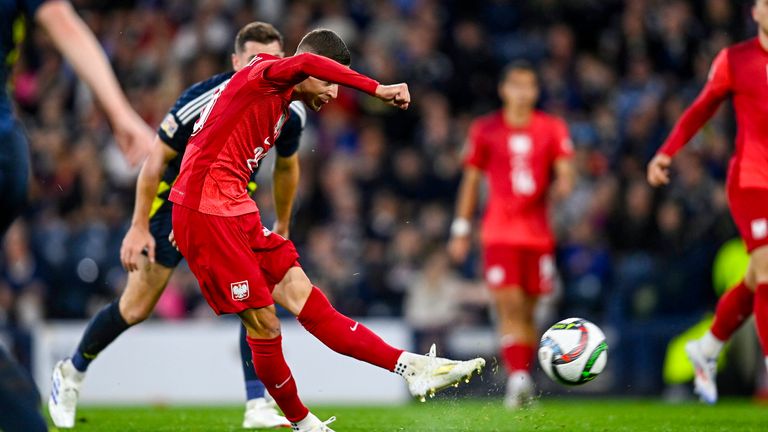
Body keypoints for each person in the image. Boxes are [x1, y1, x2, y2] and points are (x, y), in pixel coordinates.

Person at [169, 28, 485, 432]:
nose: (334, 95)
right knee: (265, 323)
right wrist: (376, 89)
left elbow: (208, 142)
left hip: (232, 210)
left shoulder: (279, 104)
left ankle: (410, 366)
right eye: (331, 81)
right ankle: (304, 424)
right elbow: (305, 61)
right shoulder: (263, 72)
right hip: (208, 210)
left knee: (309, 300)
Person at [47, 22, 303, 429]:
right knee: (135, 308)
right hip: (172, 205)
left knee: (256, 298)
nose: (263, 66)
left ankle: (257, 404)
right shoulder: (199, 99)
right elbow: (153, 162)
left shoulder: (290, 107)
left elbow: (287, 164)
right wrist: (138, 227)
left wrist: (283, 223)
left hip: (230, 209)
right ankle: (72, 371)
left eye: (273, 58)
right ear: (236, 61)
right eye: (254, 58)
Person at [1, 1, 153, 431]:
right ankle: (23, 406)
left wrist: (121, 115)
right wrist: (120, 114)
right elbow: (62, 21)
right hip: (10, 151)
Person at [647, 0, 768, 406]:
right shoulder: (735, 59)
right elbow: (701, 108)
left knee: (756, 278)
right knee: (767, 269)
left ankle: (709, 347)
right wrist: (667, 151)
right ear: (754, 12)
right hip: (751, 181)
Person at [448, 61, 574, 409]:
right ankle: (518, 380)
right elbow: (471, 181)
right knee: (509, 304)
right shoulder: (485, 129)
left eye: (529, 85)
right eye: (516, 85)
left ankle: (520, 376)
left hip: (538, 235)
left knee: (530, 311)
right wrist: (461, 229)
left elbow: (566, 171)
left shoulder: (551, 127)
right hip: (499, 232)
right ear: (504, 89)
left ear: (536, 91)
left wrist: (563, 186)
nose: (523, 92)